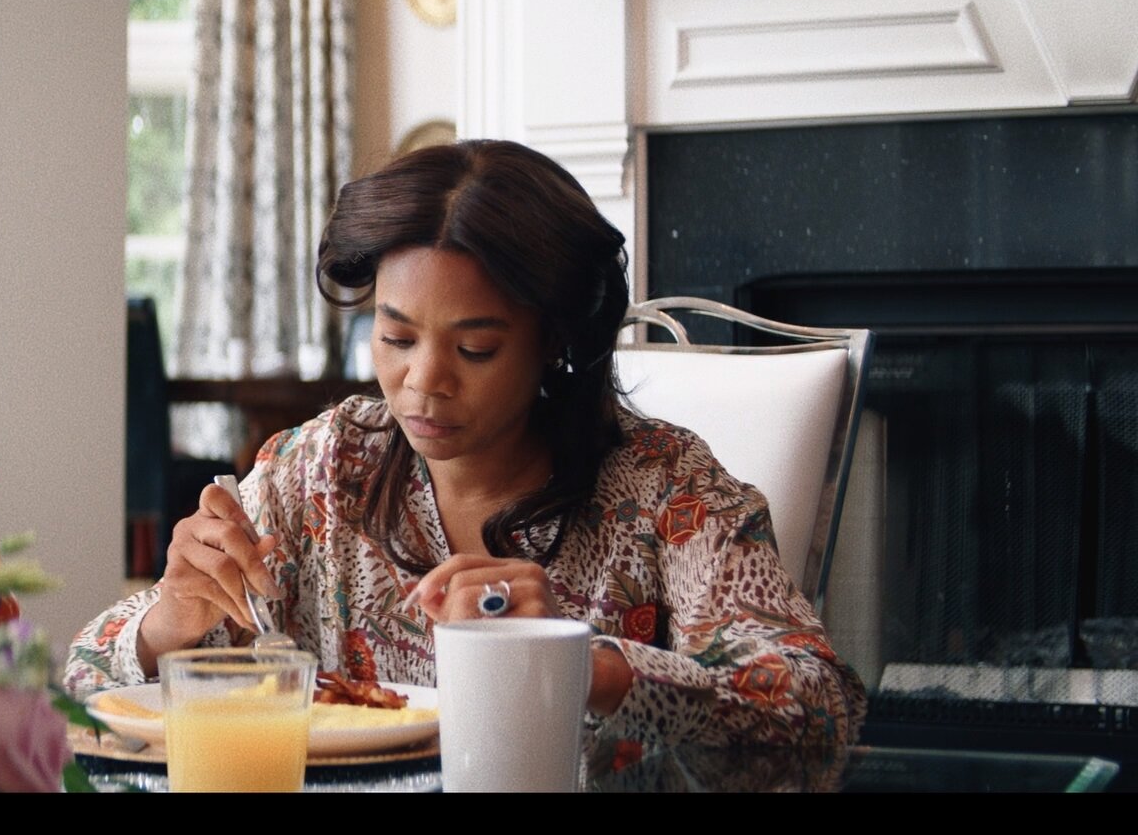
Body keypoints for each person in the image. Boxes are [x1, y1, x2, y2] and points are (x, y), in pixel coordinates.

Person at [67, 140, 866, 756]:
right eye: (395, 337)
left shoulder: (666, 489)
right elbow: (81, 683)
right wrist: (168, 623)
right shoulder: (318, 469)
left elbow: (818, 714)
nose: (422, 382)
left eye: (475, 349)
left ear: (554, 341)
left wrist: (584, 663)